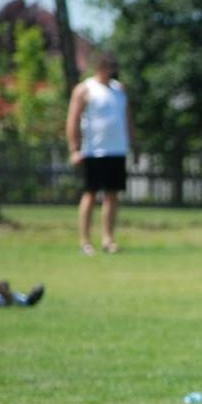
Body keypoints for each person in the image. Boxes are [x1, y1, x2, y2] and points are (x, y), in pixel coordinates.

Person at [66, 53, 135, 255]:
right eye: (109, 66)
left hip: (117, 149)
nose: (112, 70)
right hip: (93, 151)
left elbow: (127, 119)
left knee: (112, 196)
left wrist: (133, 144)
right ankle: (85, 241)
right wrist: (74, 149)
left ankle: (108, 239)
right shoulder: (84, 89)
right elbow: (72, 120)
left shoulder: (119, 89)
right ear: (99, 67)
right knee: (90, 194)